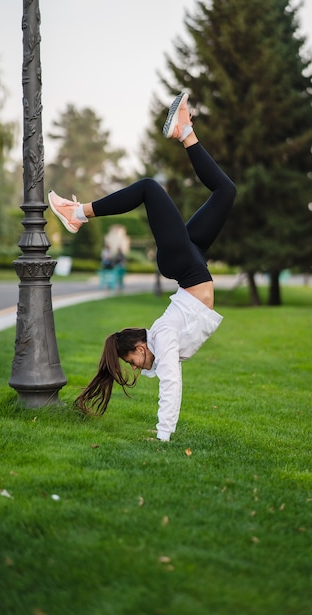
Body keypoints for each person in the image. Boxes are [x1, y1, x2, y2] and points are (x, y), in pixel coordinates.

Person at [48, 92, 236, 441]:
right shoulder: (164, 343)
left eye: (131, 361)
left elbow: (171, 384)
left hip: (185, 266)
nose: (135, 367)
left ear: (140, 347)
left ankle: (77, 214)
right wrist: (164, 432)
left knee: (150, 188)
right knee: (225, 192)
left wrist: (163, 435)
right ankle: (184, 133)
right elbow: (171, 381)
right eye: (132, 365)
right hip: (189, 265)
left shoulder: (161, 337)